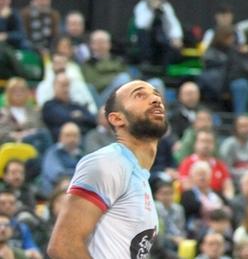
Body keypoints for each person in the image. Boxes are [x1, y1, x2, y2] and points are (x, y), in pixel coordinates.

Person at [47, 80, 168, 258]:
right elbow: (64, 245)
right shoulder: (108, 162)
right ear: (117, 118)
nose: (155, 99)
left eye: (156, 95)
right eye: (139, 95)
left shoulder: (138, 175)